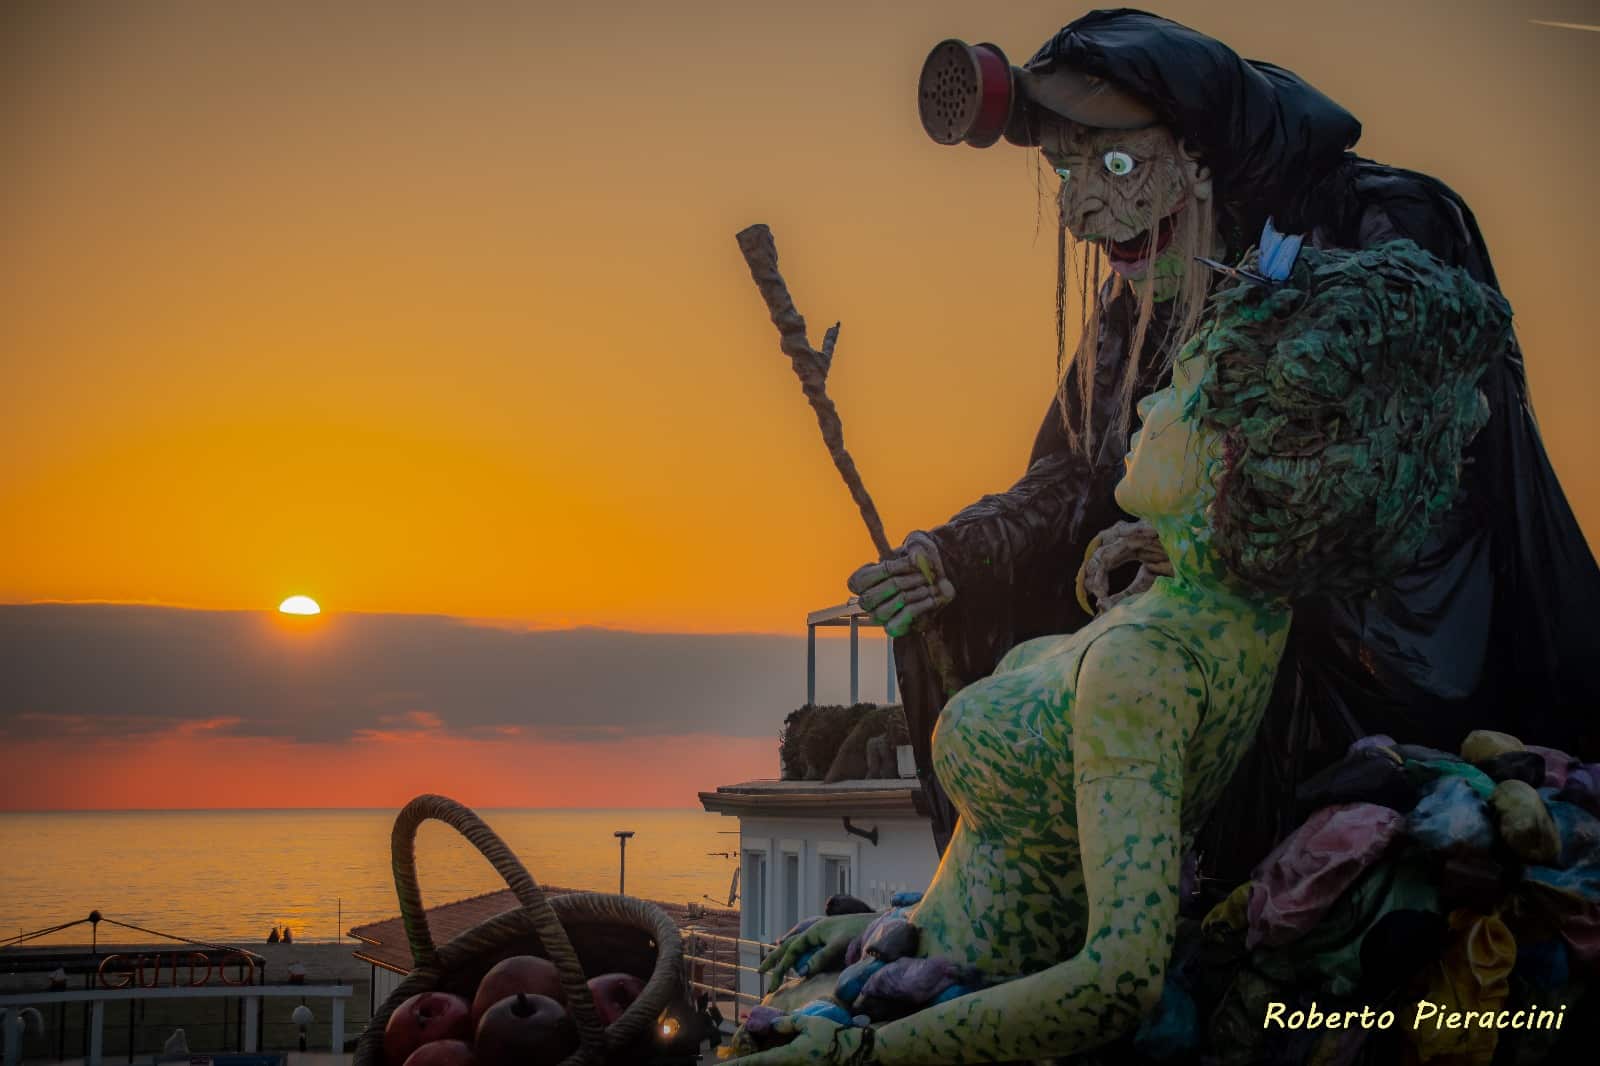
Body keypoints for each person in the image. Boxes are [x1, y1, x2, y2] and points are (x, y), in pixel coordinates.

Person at [854, 8, 1600, 878]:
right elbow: (1083, 466)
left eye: (1118, 164)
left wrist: (1223, 547)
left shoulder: (1389, 224)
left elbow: (1424, 469)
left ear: (1204, 150)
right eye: (1064, 170)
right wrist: (958, 554)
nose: (1082, 208)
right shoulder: (1157, 288)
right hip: (1226, 629)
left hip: (1393, 645)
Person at [732, 238, 1509, 1064]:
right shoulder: (1232, 609)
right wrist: (901, 927)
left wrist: (855, 1056)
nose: (1148, 407)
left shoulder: (1148, 669)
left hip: (957, 1007)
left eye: (1182, 390)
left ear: (1233, 459)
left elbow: (1118, 982)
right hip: (923, 954)